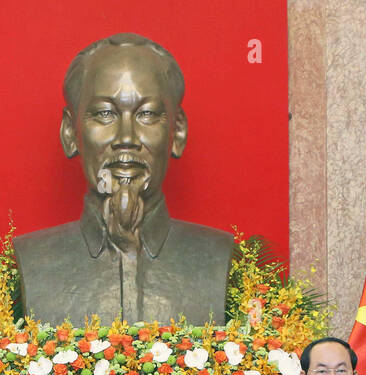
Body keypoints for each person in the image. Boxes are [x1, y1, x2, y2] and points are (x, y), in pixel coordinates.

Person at [13, 33, 233, 328]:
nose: (126, 138)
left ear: (177, 133)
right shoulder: (34, 260)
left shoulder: (215, 256)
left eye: (147, 114)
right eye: (105, 114)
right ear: (70, 132)